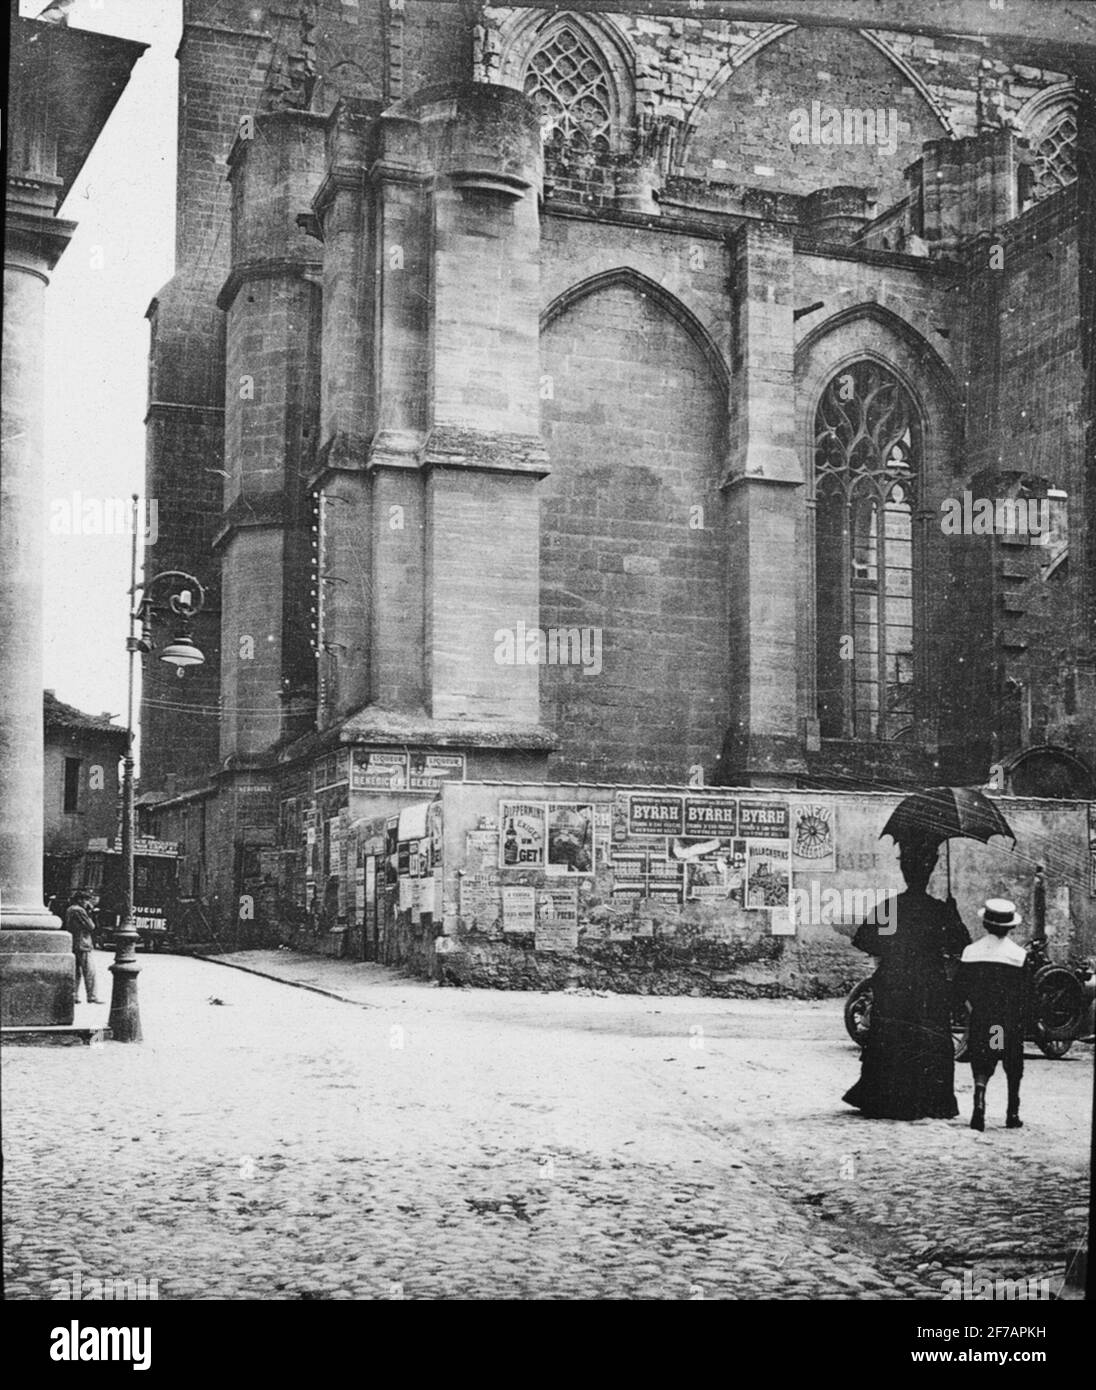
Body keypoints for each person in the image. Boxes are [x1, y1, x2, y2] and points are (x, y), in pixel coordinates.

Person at [842, 840, 970, 1120]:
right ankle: (931, 1101)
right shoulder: (939, 910)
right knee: (929, 1038)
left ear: (904, 871)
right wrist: (954, 913)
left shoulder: (892, 907)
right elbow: (961, 943)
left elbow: (865, 940)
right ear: (930, 872)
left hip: (895, 982)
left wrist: (893, 948)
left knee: (892, 1037)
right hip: (929, 985)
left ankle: (885, 1099)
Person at [953, 899, 1027, 1131]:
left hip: (983, 1017)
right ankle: (1012, 1112)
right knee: (1011, 1062)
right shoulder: (1018, 956)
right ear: (1010, 927)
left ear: (985, 924)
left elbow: (959, 989)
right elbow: (1027, 994)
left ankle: (979, 1104)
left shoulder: (971, 952)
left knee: (983, 1061)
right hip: (1006, 1022)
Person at [65, 892, 103, 1005]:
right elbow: (91, 926)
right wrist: (90, 913)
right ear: (80, 900)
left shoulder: (70, 909)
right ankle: (92, 996)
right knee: (89, 971)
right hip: (83, 944)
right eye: (86, 900)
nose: (87, 902)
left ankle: (74, 995)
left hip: (74, 943)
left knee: (76, 972)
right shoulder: (79, 911)